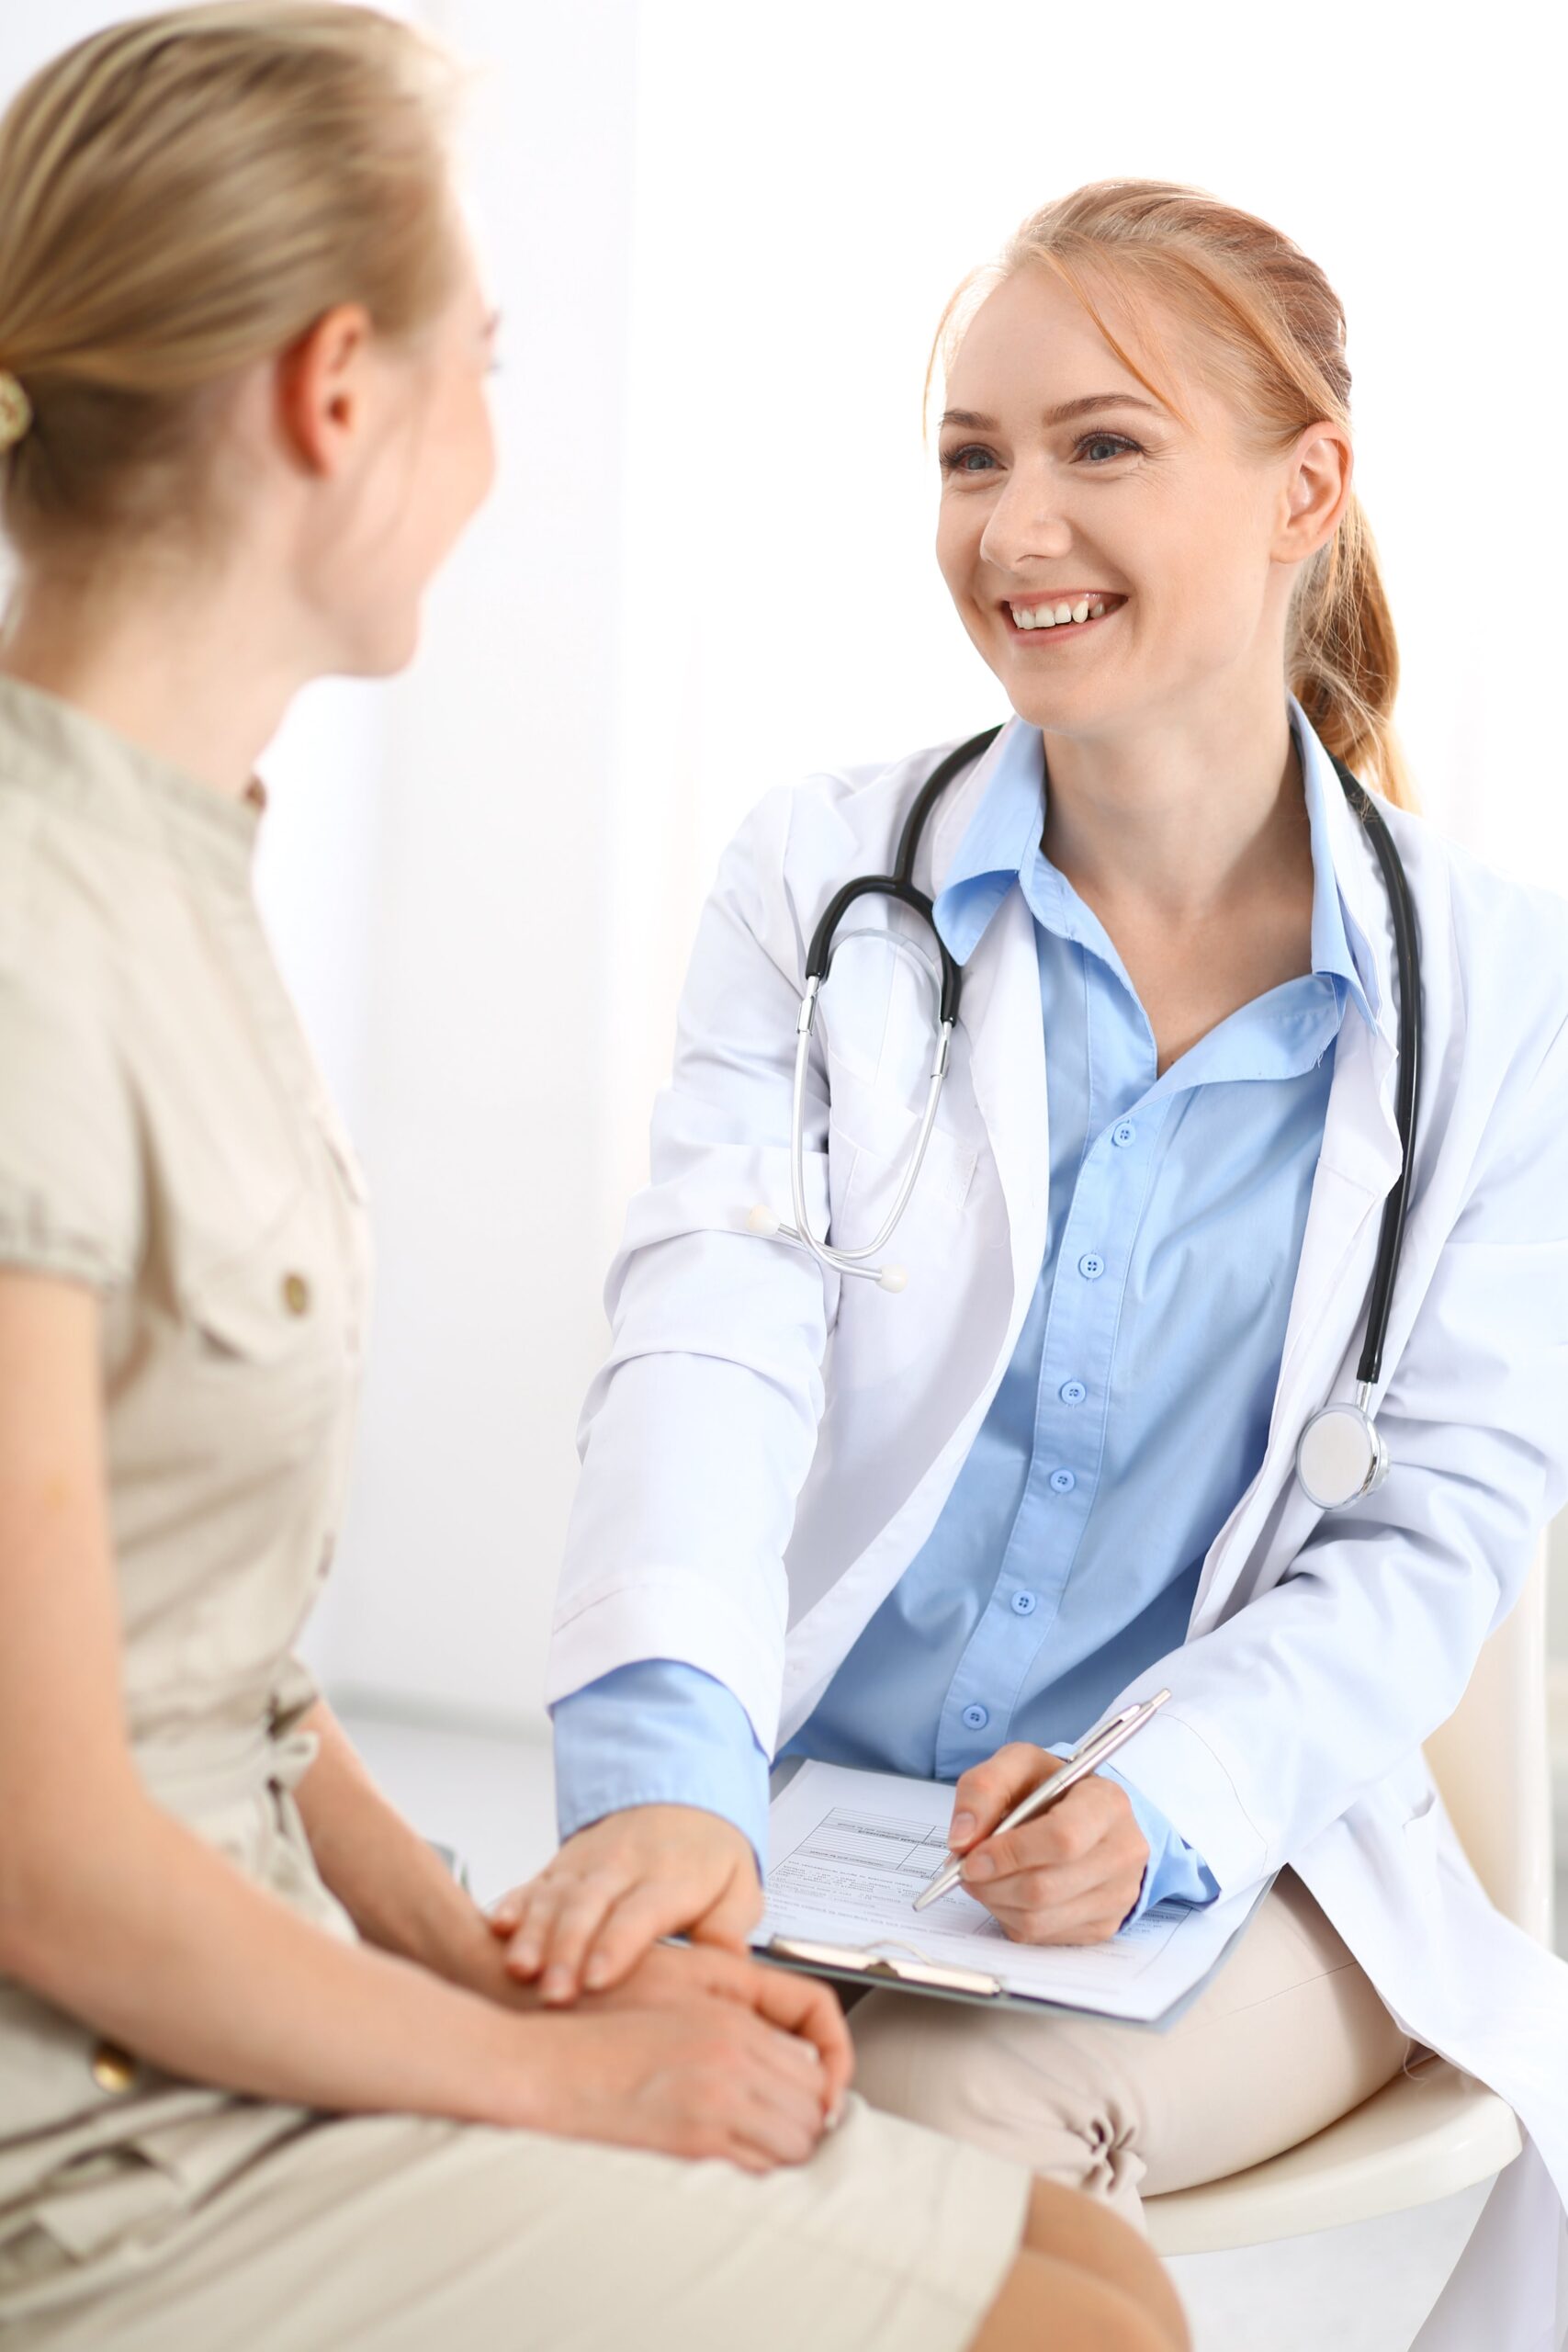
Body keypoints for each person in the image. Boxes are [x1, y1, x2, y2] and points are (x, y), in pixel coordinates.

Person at [0, 15, 1192, 2350]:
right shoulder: (35, 935)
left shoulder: (172, 869)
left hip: (234, 1993)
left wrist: (477, 1949)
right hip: (94, 2138)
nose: (492, 442)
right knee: (1083, 2334)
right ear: (339, 396)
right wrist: (554, 2073)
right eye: (488, 362)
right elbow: (47, 1839)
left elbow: (197, 1647)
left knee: (1097, 2269)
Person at [511, 179, 1568, 2346]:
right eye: (971, 454)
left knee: (911, 2148)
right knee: (569, 2097)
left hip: (1246, 1863)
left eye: (1099, 446)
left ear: (1304, 488)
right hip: (804, 1810)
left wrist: (1158, 1793)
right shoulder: (824, 883)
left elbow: (1441, 1528)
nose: (1013, 526)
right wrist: (666, 1786)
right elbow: (706, 1338)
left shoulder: (1493, 990)